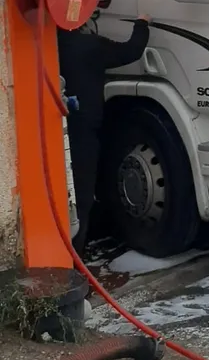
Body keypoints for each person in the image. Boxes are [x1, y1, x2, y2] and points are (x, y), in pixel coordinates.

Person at [57, 17, 151, 256]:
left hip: (52, 131)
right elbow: (131, 51)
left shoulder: (48, 47)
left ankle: (61, 253)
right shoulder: (90, 46)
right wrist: (142, 23)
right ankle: (75, 257)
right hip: (83, 134)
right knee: (81, 197)